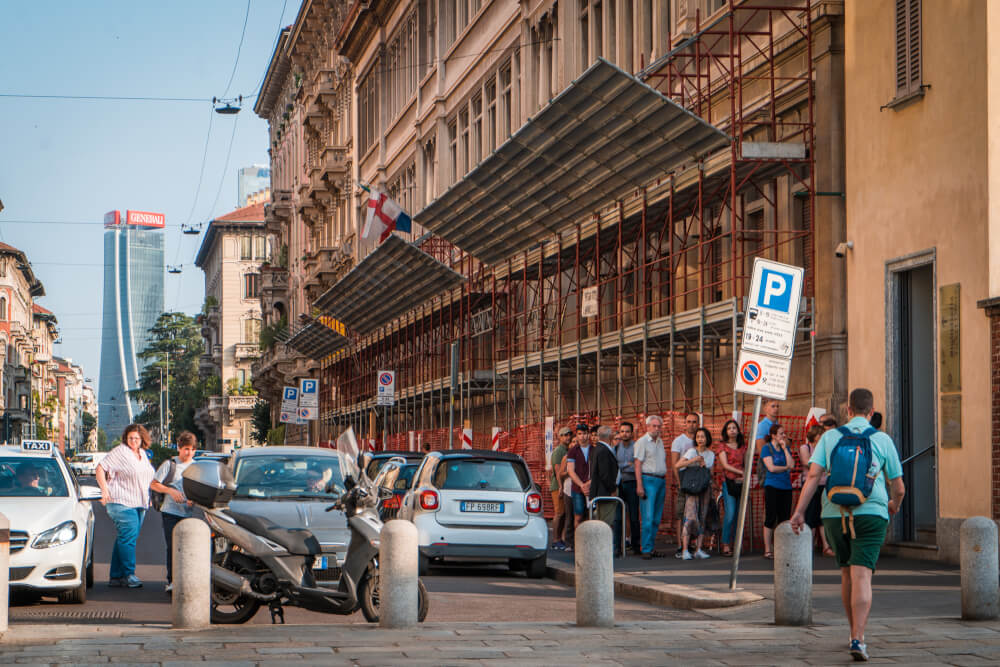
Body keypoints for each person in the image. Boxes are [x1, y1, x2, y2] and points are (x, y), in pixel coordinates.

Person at [792, 388, 905, 663]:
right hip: (871, 511)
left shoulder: (830, 437)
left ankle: (851, 632)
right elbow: (899, 487)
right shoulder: (882, 439)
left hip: (833, 512)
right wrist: (894, 505)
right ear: (871, 410)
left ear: (849, 410)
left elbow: (813, 476)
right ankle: (858, 637)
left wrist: (799, 512)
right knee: (862, 575)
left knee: (846, 574)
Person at [96, 424, 156, 588]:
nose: (133, 441)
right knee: (128, 537)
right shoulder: (120, 452)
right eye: (130, 438)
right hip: (121, 501)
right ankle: (129, 574)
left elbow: (147, 477)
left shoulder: (142, 454)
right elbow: (100, 468)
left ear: (142, 439)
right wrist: (104, 490)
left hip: (140, 502)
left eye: (136, 438)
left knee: (126, 538)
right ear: (125, 438)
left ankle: (116, 576)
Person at [149, 431, 197, 593]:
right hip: (170, 512)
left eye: (191, 449)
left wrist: (193, 499)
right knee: (173, 547)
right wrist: (171, 491)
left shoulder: (197, 467)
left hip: (189, 513)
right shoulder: (170, 465)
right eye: (185, 449)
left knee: (189, 548)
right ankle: (172, 581)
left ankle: (187, 579)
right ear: (178, 448)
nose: (188, 452)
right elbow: (154, 484)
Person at [675, 427, 715, 560]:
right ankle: (685, 549)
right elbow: (677, 465)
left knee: (702, 517)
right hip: (692, 489)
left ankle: (699, 549)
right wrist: (694, 460)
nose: (700, 439)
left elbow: (711, 473)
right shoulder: (691, 451)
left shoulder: (711, 454)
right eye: (698, 437)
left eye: (703, 437)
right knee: (690, 517)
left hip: (704, 489)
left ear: (707, 438)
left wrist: (703, 464)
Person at [633, 415, 668, 560]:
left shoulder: (660, 442)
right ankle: (646, 548)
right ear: (647, 427)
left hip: (660, 480)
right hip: (648, 480)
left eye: (658, 426)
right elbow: (637, 464)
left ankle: (651, 547)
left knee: (656, 518)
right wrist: (639, 485)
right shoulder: (642, 442)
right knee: (647, 517)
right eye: (653, 426)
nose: (656, 429)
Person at [760, 423, 794, 559]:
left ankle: (781, 548)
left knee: (784, 518)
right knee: (770, 517)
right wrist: (786, 467)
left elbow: (792, 465)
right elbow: (771, 468)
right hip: (772, 485)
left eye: (784, 433)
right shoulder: (766, 448)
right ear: (773, 435)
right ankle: (768, 549)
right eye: (781, 433)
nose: (784, 435)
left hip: (786, 486)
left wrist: (785, 449)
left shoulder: (786, 448)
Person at [800, 424, 833, 557]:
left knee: (822, 516)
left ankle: (826, 546)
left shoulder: (824, 448)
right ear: (814, 435)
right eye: (820, 435)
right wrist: (822, 465)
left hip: (824, 484)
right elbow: (806, 462)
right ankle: (808, 547)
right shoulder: (805, 447)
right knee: (811, 516)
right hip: (811, 485)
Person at [670, 413, 699, 555]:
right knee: (681, 514)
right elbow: (674, 464)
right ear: (685, 423)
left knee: (695, 513)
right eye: (689, 422)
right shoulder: (678, 441)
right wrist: (679, 482)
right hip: (684, 478)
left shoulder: (701, 438)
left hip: (697, 480)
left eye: (694, 422)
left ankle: (692, 544)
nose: (691, 424)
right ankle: (681, 546)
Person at [589, 425, 621, 548]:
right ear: (610, 436)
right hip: (606, 492)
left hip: (601, 491)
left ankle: (600, 547)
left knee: (601, 520)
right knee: (606, 521)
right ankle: (602, 548)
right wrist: (612, 489)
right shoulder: (603, 450)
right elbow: (604, 474)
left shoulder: (598, 449)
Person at [717, 419, 745, 557]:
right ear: (726, 431)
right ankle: (726, 543)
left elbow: (747, 462)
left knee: (740, 515)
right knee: (730, 513)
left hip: (742, 483)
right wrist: (741, 473)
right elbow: (725, 465)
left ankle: (737, 543)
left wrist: (744, 475)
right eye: (729, 428)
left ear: (738, 430)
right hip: (728, 482)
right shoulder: (723, 446)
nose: (732, 430)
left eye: (734, 428)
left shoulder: (742, 447)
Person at [614, 421, 640, 555]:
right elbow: (614, 466)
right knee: (618, 517)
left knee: (634, 516)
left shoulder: (636, 447)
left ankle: (636, 546)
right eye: (622, 431)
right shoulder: (616, 448)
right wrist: (627, 464)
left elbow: (637, 464)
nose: (625, 434)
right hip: (619, 484)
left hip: (632, 482)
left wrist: (623, 465)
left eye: (627, 431)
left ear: (632, 433)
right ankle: (617, 547)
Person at [565, 423, 593, 532]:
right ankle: (578, 541)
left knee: (592, 515)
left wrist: (589, 483)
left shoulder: (594, 449)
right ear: (576, 435)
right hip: (577, 488)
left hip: (592, 486)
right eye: (580, 434)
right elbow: (570, 471)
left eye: (585, 433)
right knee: (578, 515)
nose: (582, 436)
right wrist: (582, 485)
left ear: (588, 434)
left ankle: (590, 541)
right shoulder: (573, 451)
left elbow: (597, 470)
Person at [549, 427, 572, 550]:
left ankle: (560, 539)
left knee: (563, 513)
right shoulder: (559, 451)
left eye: (569, 435)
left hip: (563, 486)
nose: (567, 437)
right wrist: (560, 487)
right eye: (564, 435)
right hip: (558, 486)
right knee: (559, 513)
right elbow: (558, 470)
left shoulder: (567, 450)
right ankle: (556, 540)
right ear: (560, 437)